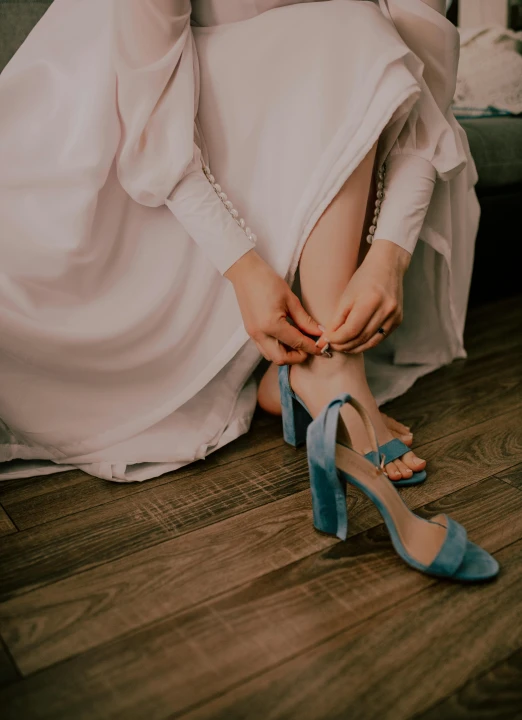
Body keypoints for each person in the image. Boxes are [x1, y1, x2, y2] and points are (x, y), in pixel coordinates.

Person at [0, 0, 478, 483]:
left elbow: (425, 92)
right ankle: (331, 370)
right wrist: (242, 267)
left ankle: (323, 364)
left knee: (359, 33)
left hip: (293, 102)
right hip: (133, 117)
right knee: (351, 27)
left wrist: (390, 255)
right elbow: (152, 131)